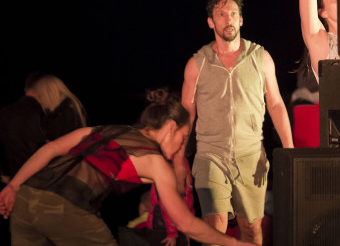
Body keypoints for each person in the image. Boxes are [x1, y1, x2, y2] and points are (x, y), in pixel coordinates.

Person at [0, 89, 253, 246]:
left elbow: (51, 148)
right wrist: (233, 244)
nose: (180, 149)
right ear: (171, 127)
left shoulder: (104, 131)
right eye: (183, 138)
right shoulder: (154, 161)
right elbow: (185, 223)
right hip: (66, 210)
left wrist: (13, 185)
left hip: (25, 200)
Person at [176, 0, 294, 245]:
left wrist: (290, 150)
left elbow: (275, 104)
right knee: (215, 226)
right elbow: (187, 112)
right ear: (211, 21)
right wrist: (178, 158)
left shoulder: (260, 58)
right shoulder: (197, 63)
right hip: (210, 155)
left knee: (251, 229)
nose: (227, 19)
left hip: (250, 155)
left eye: (233, 13)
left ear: (241, 20)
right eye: (220, 14)